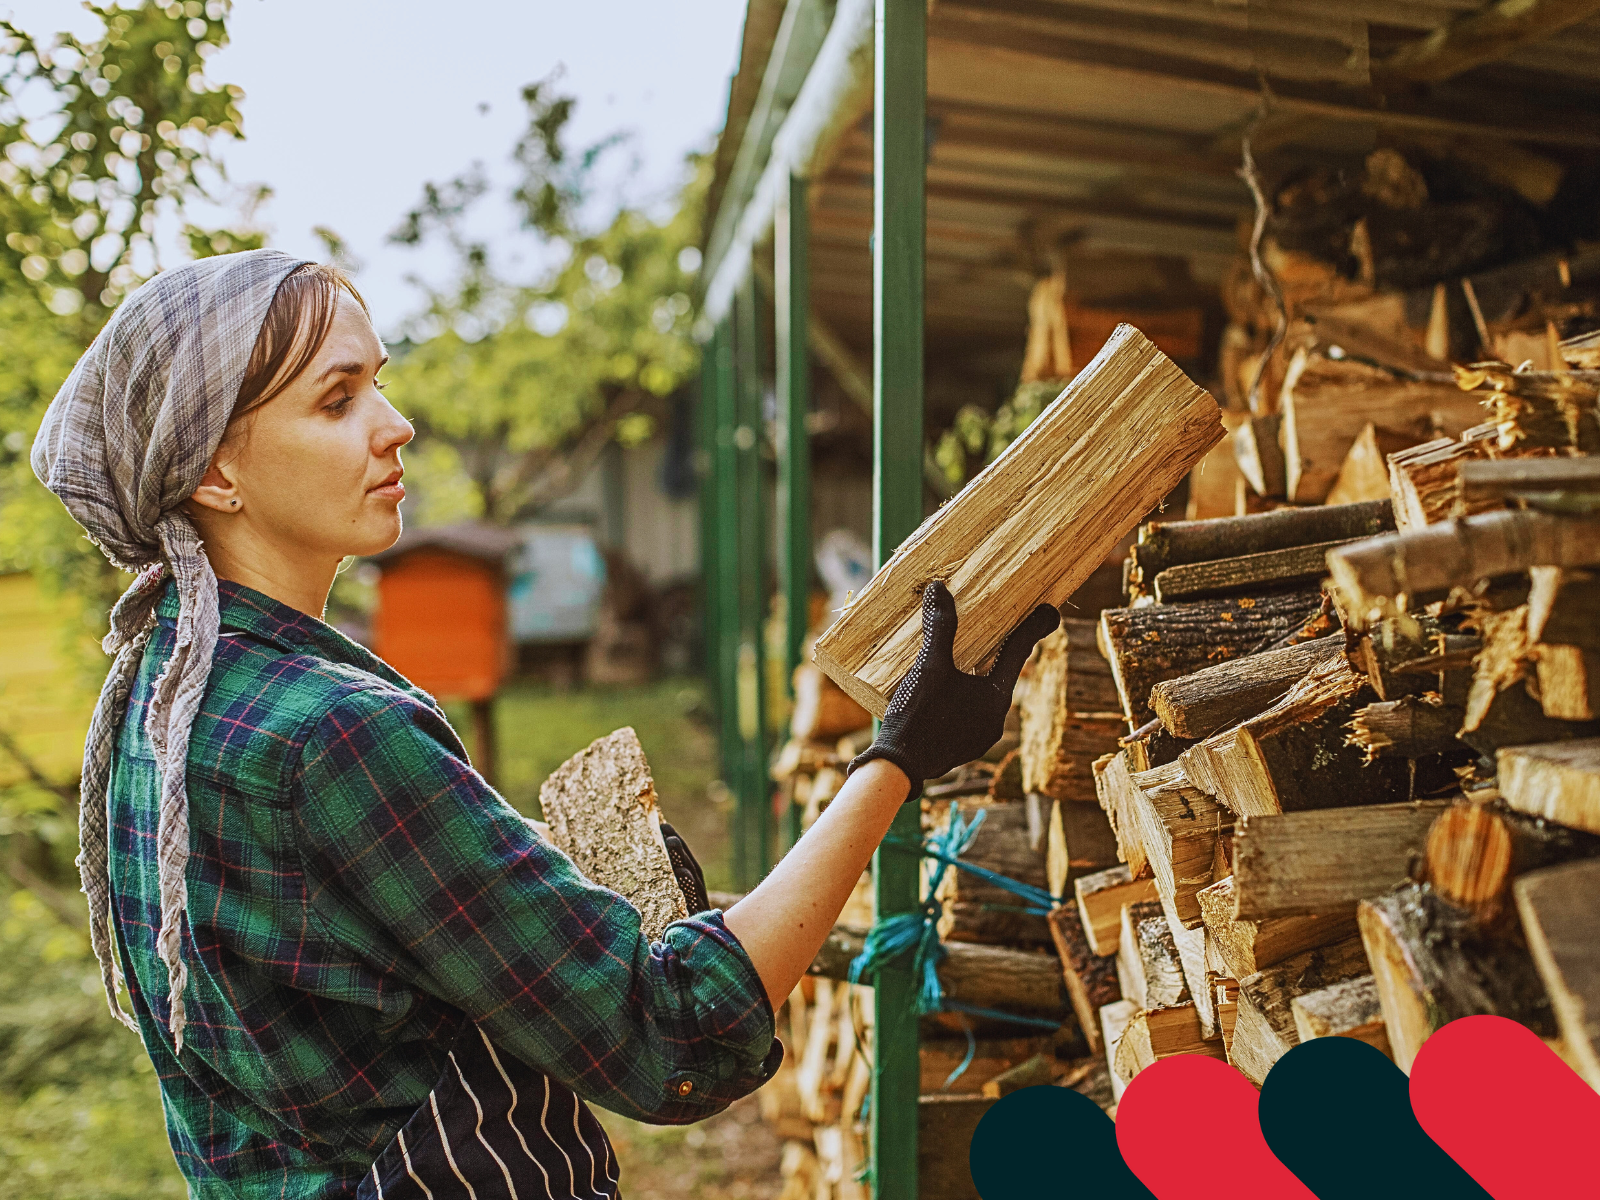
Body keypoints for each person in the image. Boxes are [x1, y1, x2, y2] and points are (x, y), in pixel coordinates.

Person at [31, 248, 1059, 1199]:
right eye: (338, 400)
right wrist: (899, 754)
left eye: (377, 381)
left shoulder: (151, 696)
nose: (395, 425)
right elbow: (675, 1040)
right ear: (214, 472)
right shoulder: (335, 734)